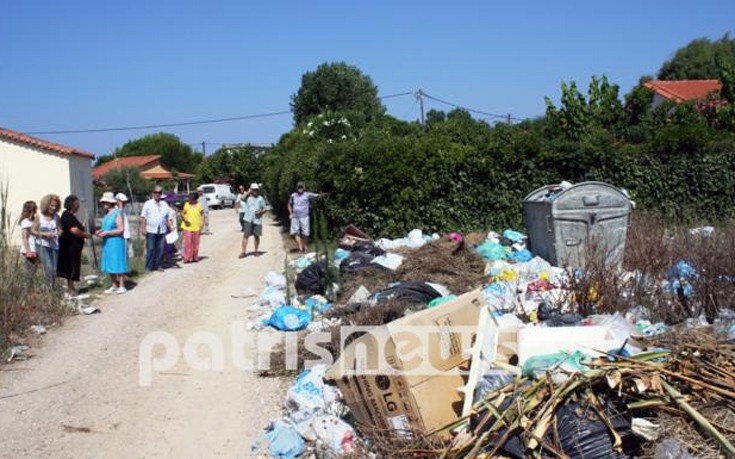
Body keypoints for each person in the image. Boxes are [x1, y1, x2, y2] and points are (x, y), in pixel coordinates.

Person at [57, 195, 93, 296]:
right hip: (70, 247)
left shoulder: (69, 216)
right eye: (77, 204)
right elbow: (74, 230)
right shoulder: (67, 216)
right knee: (71, 267)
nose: (79, 206)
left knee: (72, 266)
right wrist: (86, 235)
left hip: (73, 246)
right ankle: (71, 289)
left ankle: (71, 287)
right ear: (73, 205)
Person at [97, 192, 127, 294]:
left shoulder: (117, 213)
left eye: (105, 202)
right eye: (103, 202)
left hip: (116, 241)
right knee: (109, 262)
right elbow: (106, 227)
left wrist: (107, 232)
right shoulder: (107, 214)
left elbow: (121, 229)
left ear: (110, 202)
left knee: (118, 262)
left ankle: (122, 285)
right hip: (107, 242)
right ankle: (114, 284)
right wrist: (100, 231)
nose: (104, 204)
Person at [140, 185, 172, 272]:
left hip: (162, 230)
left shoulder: (164, 204)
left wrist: (171, 227)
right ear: (152, 193)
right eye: (156, 192)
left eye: (159, 193)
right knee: (150, 249)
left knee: (160, 249)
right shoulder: (148, 203)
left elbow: (168, 217)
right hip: (151, 230)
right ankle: (149, 266)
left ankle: (158, 265)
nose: (157, 194)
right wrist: (143, 228)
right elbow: (143, 217)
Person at [32, 194, 62, 286]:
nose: (53, 208)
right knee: (48, 267)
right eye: (51, 205)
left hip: (54, 244)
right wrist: (45, 234)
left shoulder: (56, 217)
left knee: (54, 269)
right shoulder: (39, 216)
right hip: (42, 245)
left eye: (55, 206)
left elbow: (60, 229)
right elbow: (33, 230)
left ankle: (51, 288)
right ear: (46, 204)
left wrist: (57, 233)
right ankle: (49, 289)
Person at [288, 182, 323, 253]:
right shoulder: (293, 195)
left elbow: (318, 195)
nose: (300, 189)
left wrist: (326, 194)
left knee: (306, 233)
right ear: (296, 188)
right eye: (298, 187)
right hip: (295, 217)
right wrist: (290, 213)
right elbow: (289, 204)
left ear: (304, 188)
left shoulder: (307, 194)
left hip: (304, 217)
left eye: (301, 187)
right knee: (295, 232)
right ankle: (300, 248)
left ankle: (305, 246)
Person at [238, 183, 267, 258]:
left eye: (256, 189)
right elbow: (242, 198)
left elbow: (265, 208)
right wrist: (248, 191)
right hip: (248, 219)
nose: (255, 191)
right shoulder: (248, 197)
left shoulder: (260, 198)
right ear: (251, 190)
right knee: (245, 236)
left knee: (256, 236)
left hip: (257, 220)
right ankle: (243, 252)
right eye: (254, 189)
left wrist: (261, 212)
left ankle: (256, 251)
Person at [18, 200, 39, 280]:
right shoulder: (25, 221)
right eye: (33, 209)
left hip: (35, 247)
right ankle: (28, 291)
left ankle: (31, 290)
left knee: (33, 271)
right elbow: (25, 237)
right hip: (30, 248)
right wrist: (28, 251)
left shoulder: (34, 220)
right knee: (29, 272)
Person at [181, 192, 204, 263]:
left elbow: (202, 215)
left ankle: (194, 257)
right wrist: (184, 219)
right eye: (189, 198)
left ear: (195, 199)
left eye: (191, 199)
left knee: (196, 243)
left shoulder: (199, 205)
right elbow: (182, 213)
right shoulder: (186, 205)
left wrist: (202, 224)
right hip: (187, 226)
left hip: (196, 226)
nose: (189, 200)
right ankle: (187, 258)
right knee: (188, 243)